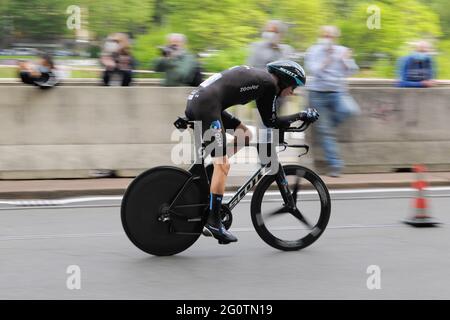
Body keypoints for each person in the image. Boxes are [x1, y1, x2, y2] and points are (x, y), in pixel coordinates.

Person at [184, 60, 319, 244]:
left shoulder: (263, 81)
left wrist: (296, 117)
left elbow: (269, 120)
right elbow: (272, 122)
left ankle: (211, 172)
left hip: (203, 101)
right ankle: (214, 222)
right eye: (293, 87)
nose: (292, 92)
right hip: (207, 105)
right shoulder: (269, 84)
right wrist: (301, 115)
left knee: (244, 134)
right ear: (285, 80)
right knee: (223, 164)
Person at [304, 26, 359, 178]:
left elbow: (352, 71)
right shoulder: (313, 50)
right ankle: (335, 165)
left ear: (335, 38)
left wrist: (345, 60)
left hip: (337, 92)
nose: (327, 38)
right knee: (326, 132)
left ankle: (326, 128)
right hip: (317, 93)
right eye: (325, 35)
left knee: (350, 110)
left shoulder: (342, 50)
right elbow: (313, 70)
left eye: (330, 36)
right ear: (320, 36)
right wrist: (327, 60)